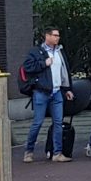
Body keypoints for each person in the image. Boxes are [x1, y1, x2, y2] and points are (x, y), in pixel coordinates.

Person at [20, 28, 71, 162]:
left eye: (58, 35)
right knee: (37, 122)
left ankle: (57, 153)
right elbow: (27, 68)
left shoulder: (59, 51)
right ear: (47, 36)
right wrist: (44, 63)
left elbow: (64, 71)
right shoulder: (36, 52)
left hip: (57, 92)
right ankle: (29, 151)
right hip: (41, 92)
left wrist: (67, 89)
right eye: (54, 35)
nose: (57, 38)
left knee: (58, 123)